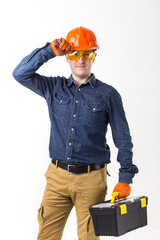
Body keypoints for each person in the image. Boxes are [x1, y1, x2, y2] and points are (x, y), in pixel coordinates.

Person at [12, 26, 138, 240]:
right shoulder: (53, 87)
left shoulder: (108, 94)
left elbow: (123, 139)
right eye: (75, 53)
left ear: (94, 56)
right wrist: (49, 51)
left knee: (89, 237)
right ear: (67, 57)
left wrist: (125, 177)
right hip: (57, 178)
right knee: (46, 236)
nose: (81, 59)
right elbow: (20, 73)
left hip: (91, 180)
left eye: (87, 53)